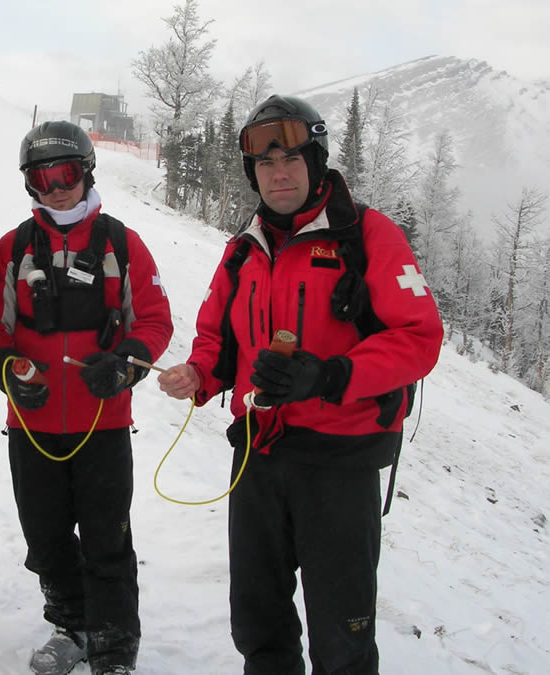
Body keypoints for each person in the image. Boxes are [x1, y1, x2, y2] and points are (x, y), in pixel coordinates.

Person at [158, 95, 443, 674]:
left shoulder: (367, 236)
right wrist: (200, 373)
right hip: (257, 458)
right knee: (258, 625)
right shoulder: (245, 249)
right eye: (265, 164)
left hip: (340, 464)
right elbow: (216, 336)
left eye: (290, 158)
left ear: (317, 161)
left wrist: (333, 375)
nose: (278, 172)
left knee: (343, 638)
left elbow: (419, 338)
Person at [0, 121, 173, 675]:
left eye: (68, 174)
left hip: (102, 426)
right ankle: (72, 625)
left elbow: (154, 320)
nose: (57, 187)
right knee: (47, 538)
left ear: (86, 174)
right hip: (31, 426)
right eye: (43, 177)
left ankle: (112, 647)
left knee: (108, 540)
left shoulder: (122, 244)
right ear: (30, 184)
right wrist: (6, 369)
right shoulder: (14, 248)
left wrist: (127, 363)